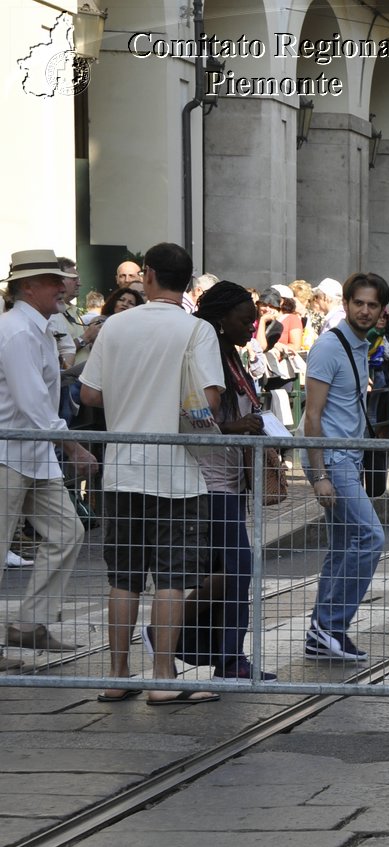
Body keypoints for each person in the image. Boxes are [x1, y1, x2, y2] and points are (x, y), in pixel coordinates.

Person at [79, 242, 223, 704]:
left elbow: (89, 396)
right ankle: (163, 675)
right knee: (172, 578)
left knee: (123, 576)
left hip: (122, 469)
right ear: (186, 281)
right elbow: (210, 401)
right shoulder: (196, 330)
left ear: (148, 274)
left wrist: (130, 390)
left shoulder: (116, 325)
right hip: (177, 474)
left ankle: (117, 673)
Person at [0, 251, 97, 671]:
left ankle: (31, 623)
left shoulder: (34, 328)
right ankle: (28, 624)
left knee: (67, 532)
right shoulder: (19, 331)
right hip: (10, 453)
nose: (62, 286)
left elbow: (37, 403)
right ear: (27, 287)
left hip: (31, 453)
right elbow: (33, 402)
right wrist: (72, 445)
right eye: (51, 280)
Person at [186, 281, 275, 680]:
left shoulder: (232, 358)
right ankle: (163, 635)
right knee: (238, 568)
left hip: (232, 479)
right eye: (244, 321)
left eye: (254, 321)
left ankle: (227, 656)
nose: (251, 328)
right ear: (221, 320)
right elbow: (197, 414)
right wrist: (236, 426)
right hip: (211, 479)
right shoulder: (209, 357)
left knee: (231, 568)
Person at [301, 271, 389, 662]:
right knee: (371, 537)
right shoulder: (329, 346)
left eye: (373, 305)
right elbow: (312, 417)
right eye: (359, 303)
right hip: (332, 459)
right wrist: (319, 475)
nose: (365, 310)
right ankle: (330, 624)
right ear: (346, 304)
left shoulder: (360, 344)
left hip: (348, 457)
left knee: (344, 544)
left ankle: (325, 633)